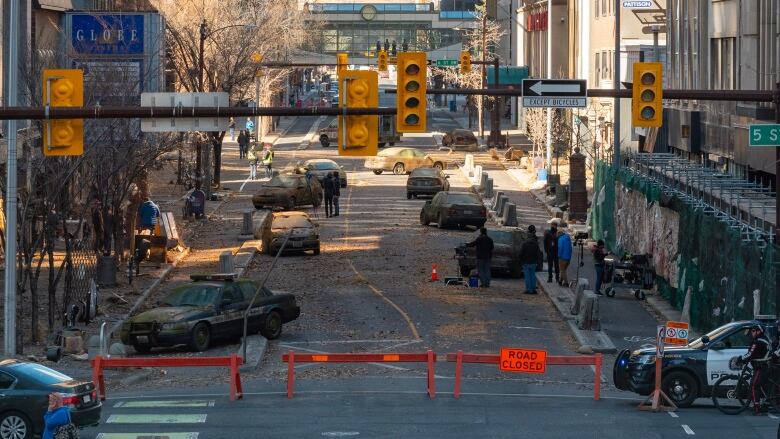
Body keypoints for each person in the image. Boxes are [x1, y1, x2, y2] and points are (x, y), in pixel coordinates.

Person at [739, 324, 771, 415]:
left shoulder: (758, 342)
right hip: (762, 366)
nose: (751, 333)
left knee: (754, 385)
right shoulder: (762, 339)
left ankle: (757, 408)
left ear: (759, 331)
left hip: (761, 367)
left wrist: (740, 359)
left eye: (753, 331)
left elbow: (750, 354)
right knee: (759, 385)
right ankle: (763, 403)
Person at [519, 225, 543, 294]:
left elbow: (521, 253)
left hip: (526, 261)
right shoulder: (536, 244)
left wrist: (521, 260)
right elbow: (538, 253)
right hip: (534, 262)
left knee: (527, 276)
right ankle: (533, 288)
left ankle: (528, 289)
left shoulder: (524, 244)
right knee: (532, 275)